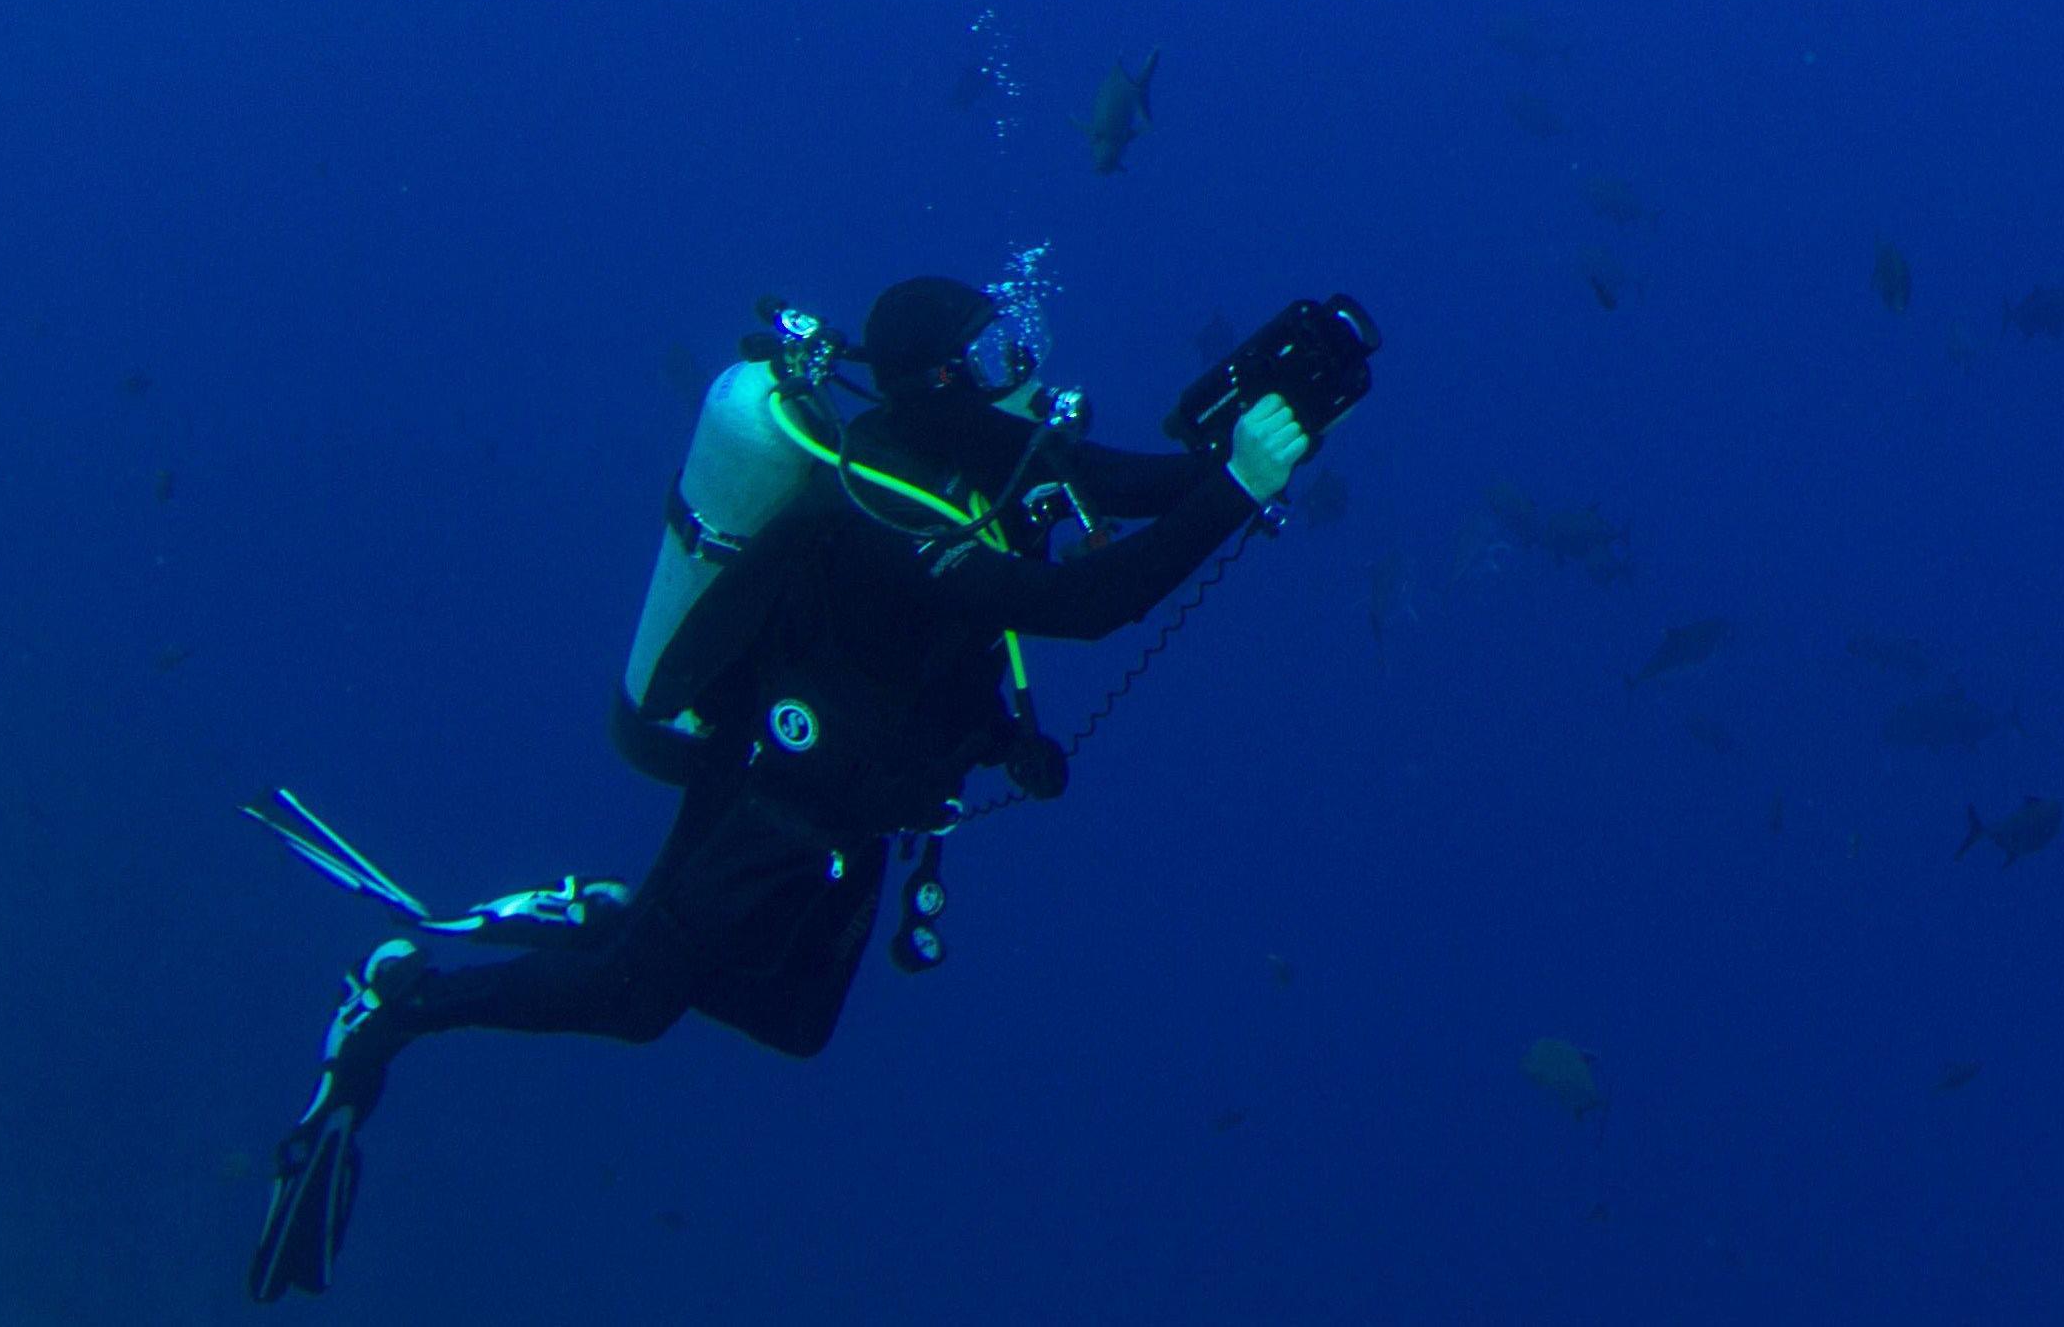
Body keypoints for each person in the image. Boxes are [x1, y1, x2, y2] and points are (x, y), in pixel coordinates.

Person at [244, 276, 1321, 1300]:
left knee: (790, 1021)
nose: (1017, 366)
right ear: (940, 379)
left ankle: (619, 915)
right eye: (989, 350)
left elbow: (1132, 488)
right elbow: (1088, 603)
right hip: (774, 804)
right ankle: (397, 1005)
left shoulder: (984, 444)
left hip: (843, 811)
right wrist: (1236, 489)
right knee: (635, 1004)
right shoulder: (883, 512)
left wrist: (1270, 428)